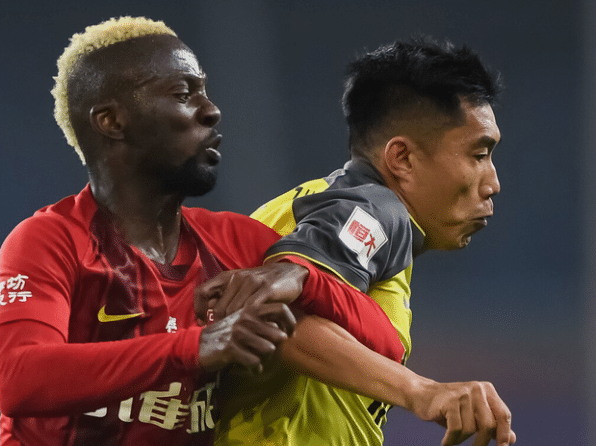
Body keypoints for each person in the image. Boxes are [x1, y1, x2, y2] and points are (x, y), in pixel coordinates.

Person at [0, 16, 407, 446]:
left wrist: (302, 276)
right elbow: (18, 378)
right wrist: (197, 347)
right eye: (184, 95)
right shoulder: (51, 240)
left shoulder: (238, 243)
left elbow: (385, 345)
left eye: (205, 91)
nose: (211, 110)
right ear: (112, 121)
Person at [205, 38, 516, 446]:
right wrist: (422, 391)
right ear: (402, 159)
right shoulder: (377, 212)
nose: (493, 183)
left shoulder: (313, 205)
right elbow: (270, 313)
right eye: (478, 155)